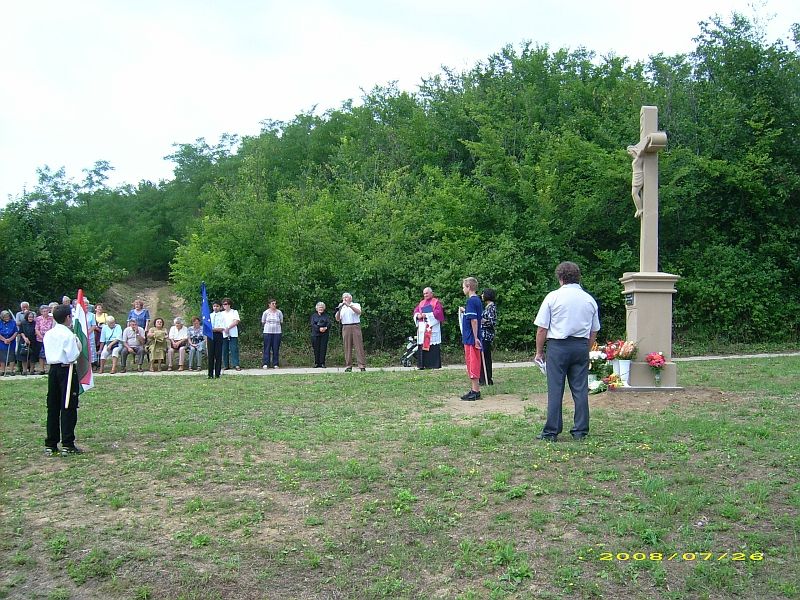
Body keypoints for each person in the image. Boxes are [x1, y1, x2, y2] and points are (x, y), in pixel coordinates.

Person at [534, 261, 600, 442]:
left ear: (560, 277)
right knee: (580, 389)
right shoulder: (589, 299)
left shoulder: (553, 297)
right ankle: (580, 430)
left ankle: (551, 431)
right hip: (580, 345)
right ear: (578, 277)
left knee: (555, 389)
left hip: (558, 347)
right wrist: (586, 349)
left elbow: (542, 329)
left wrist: (539, 352)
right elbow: (594, 331)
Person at [43, 304, 83, 455]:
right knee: (68, 406)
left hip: (53, 370)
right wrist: (78, 345)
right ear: (67, 318)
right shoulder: (68, 335)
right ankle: (67, 443)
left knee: (53, 407)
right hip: (66, 370)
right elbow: (72, 356)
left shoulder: (49, 334)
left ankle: (51, 443)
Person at [458, 277, 483, 401]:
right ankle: (474, 389)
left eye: (464, 287)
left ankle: (475, 391)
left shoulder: (471, 301)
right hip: (472, 337)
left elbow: (474, 320)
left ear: (469, 287)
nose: (463, 289)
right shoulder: (477, 300)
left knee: (472, 362)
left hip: (471, 338)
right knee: (473, 362)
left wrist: (475, 337)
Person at [413, 287, 445, 369]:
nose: (425, 295)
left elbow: (439, 313)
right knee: (422, 345)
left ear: (431, 293)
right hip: (422, 328)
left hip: (432, 327)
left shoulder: (436, 302)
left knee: (432, 346)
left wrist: (427, 315)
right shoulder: (421, 303)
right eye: (424, 293)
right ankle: (422, 365)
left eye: (427, 293)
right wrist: (418, 315)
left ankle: (433, 365)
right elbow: (416, 311)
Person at [335, 292, 366, 372]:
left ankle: (361, 366)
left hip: (355, 326)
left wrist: (349, 306)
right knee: (347, 346)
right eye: (343, 297)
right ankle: (348, 366)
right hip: (346, 327)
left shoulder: (356, 305)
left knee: (358, 346)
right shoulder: (342, 307)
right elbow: (337, 319)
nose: (344, 299)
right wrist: (339, 309)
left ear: (350, 298)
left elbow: (359, 312)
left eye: (346, 297)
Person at [479, 288, 498, 386]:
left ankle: (487, 378)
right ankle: (484, 378)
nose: (482, 296)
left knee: (485, 357)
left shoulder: (491, 307)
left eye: (483, 294)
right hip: (483, 334)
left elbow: (492, 322)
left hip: (486, 335)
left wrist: (481, 320)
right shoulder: (487, 307)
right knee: (484, 356)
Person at [261, 299, 284, 368]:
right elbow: (263, 321)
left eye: (275, 303)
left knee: (276, 348)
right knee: (267, 348)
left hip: (277, 332)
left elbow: (281, 321)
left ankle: (275, 364)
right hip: (267, 332)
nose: (274, 305)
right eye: (273, 303)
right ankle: (266, 363)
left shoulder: (279, 312)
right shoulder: (266, 312)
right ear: (269, 305)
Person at [221, 298, 241, 371]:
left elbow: (236, 321)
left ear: (229, 305)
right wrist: (224, 329)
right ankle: (226, 365)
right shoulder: (221, 313)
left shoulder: (234, 312)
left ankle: (236, 364)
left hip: (233, 333)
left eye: (226, 304)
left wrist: (228, 328)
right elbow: (220, 323)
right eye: (223, 304)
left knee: (234, 349)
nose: (224, 305)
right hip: (224, 333)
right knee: (224, 350)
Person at [35, 305, 55, 375]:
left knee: (50, 354)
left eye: (46, 311)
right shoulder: (38, 319)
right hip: (40, 339)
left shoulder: (51, 318)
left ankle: (50, 369)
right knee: (41, 355)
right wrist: (42, 337)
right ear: (41, 312)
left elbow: (53, 328)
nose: (45, 312)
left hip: (50, 339)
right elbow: (36, 329)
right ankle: (42, 369)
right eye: (43, 311)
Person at [310, 302, 331, 368]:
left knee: (323, 348)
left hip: (324, 334)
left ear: (324, 308)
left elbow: (329, 323)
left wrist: (325, 328)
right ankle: (316, 363)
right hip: (315, 334)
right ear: (317, 308)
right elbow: (312, 324)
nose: (321, 309)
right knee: (316, 349)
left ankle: (322, 363)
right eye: (319, 307)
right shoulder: (313, 316)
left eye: (322, 307)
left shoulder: (326, 316)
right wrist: (319, 329)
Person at [17, 311, 38, 375]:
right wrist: (25, 338)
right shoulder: (23, 323)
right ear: (27, 317)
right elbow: (21, 332)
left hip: (33, 341)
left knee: (33, 357)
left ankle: (32, 371)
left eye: (32, 317)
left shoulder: (35, 323)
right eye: (29, 317)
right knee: (23, 356)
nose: (30, 318)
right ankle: (24, 371)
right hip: (24, 341)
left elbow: (37, 330)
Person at [207, 302, 225, 379]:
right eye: (214, 306)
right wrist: (210, 330)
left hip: (218, 335)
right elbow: (207, 326)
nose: (215, 308)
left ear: (220, 307)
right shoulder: (210, 315)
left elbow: (222, 328)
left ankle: (217, 373)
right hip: (210, 336)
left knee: (218, 355)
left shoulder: (222, 316)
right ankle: (210, 374)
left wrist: (213, 329)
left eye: (217, 306)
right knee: (210, 355)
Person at [0, 310, 19, 376]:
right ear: (2, 317)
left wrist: (10, 339)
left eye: (8, 317)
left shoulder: (13, 322)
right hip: (2, 342)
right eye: (5, 317)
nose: (7, 318)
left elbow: (16, 331)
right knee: (2, 357)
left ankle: (11, 371)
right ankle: (2, 371)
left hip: (11, 341)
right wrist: (4, 340)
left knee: (11, 356)